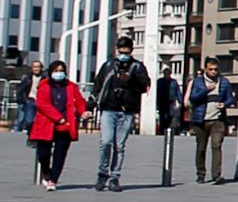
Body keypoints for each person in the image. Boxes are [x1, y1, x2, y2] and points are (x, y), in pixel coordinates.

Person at [88, 37, 150, 193]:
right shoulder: (108, 66)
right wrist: (89, 106)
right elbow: (98, 86)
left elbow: (145, 86)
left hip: (126, 111)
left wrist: (131, 80)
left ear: (131, 50)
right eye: (121, 51)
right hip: (109, 109)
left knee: (119, 146)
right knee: (106, 141)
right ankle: (102, 174)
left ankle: (114, 176)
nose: (123, 54)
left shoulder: (137, 67)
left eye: (126, 51)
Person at [27, 61, 84, 190]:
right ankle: (46, 172)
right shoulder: (44, 85)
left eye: (61, 71)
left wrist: (83, 111)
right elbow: (42, 104)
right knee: (43, 153)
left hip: (65, 125)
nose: (59, 73)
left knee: (60, 153)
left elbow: (79, 102)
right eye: (56, 71)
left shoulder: (71, 86)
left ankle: (53, 179)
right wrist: (58, 118)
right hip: (47, 123)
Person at [184, 59, 236, 184]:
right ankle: (201, 174)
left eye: (216, 69)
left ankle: (216, 175)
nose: (213, 72)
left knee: (216, 146)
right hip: (201, 120)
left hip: (218, 120)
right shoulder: (198, 81)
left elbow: (231, 98)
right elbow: (193, 98)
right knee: (201, 148)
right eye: (211, 69)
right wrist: (206, 90)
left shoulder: (224, 82)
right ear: (205, 69)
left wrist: (225, 104)